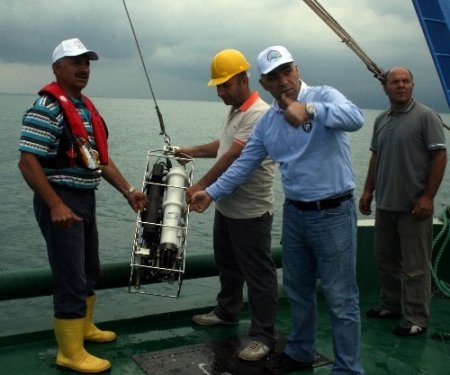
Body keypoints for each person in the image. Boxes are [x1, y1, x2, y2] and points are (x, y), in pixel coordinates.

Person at [189, 45, 365, 374]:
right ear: (264, 83)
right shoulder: (268, 123)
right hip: (296, 214)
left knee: (341, 298)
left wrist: (310, 110)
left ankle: (348, 369)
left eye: (287, 71)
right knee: (297, 288)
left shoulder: (324, 96)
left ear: (297, 69)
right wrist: (210, 194)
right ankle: (299, 351)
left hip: (334, 213)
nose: (283, 80)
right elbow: (242, 166)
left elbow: (356, 118)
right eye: (274, 77)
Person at [18, 38, 147, 373]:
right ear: (56, 68)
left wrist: (128, 190)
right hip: (61, 201)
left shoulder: (83, 108)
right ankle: (70, 351)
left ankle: (84, 328)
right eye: (75, 62)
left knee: (89, 269)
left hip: (84, 199)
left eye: (87, 62)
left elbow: (98, 160)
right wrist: (55, 205)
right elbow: (27, 162)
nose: (83, 68)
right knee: (70, 275)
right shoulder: (47, 108)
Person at [175, 49, 278, 362]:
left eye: (226, 85)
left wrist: (202, 186)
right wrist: (188, 151)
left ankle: (262, 335)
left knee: (259, 275)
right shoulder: (234, 110)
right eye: (218, 86)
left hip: (251, 212)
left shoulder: (259, 113)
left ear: (244, 80)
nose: (220, 92)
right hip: (227, 209)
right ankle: (227, 312)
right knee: (228, 266)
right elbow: (221, 147)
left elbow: (235, 156)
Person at [359, 66, 447, 336]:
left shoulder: (426, 117)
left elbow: (439, 157)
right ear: (385, 87)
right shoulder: (382, 119)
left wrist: (428, 197)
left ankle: (416, 318)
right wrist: (367, 191)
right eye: (395, 82)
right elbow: (376, 156)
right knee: (385, 260)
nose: (400, 85)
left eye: (406, 81)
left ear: (413, 85)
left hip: (413, 208)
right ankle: (391, 305)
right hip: (386, 205)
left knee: (414, 267)